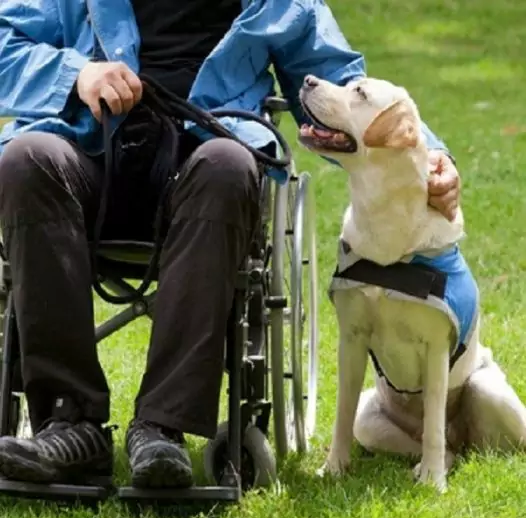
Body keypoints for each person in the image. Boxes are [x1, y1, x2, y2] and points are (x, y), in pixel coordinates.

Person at [0, 0, 460, 489]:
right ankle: (69, 425)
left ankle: (162, 427)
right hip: (94, 151)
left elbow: (340, 79)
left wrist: (426, 157)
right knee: (26, 160)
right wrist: (78, 74)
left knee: (228, 164)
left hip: (206, 161)